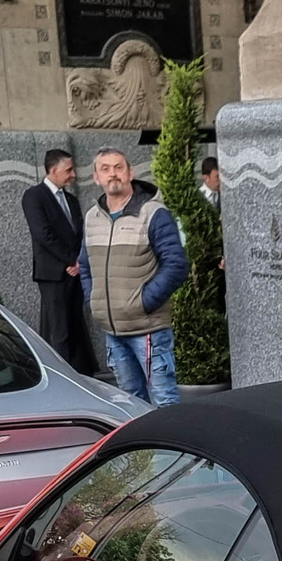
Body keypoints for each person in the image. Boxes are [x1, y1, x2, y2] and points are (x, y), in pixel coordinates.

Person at [79, 146, 188, 405]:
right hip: (113, 331)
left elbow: (176, 265)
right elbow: (85, 266)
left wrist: (142, 302)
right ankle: (141, 448)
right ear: (96, 178)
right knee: (130, 404)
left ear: (131, 173)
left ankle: (169, 447)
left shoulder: (153, 213)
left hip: (148, 330)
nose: (112, 174)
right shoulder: (92, 217)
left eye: (118, 167)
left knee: (165, 402)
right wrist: (94, 302)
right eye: (105, 169)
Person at [20, 148, 93, 373]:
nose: (73, 175)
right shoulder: (34, 196)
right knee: (59, 329)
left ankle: (81, 372)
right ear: (53, 170)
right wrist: (70, 261)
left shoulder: (71, 200)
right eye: (68, 170)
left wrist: (80, 261)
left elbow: (81, 233)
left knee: (76, 326)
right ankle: (62, 376)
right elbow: (43, 234)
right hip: (53, 273)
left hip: (76, 271)